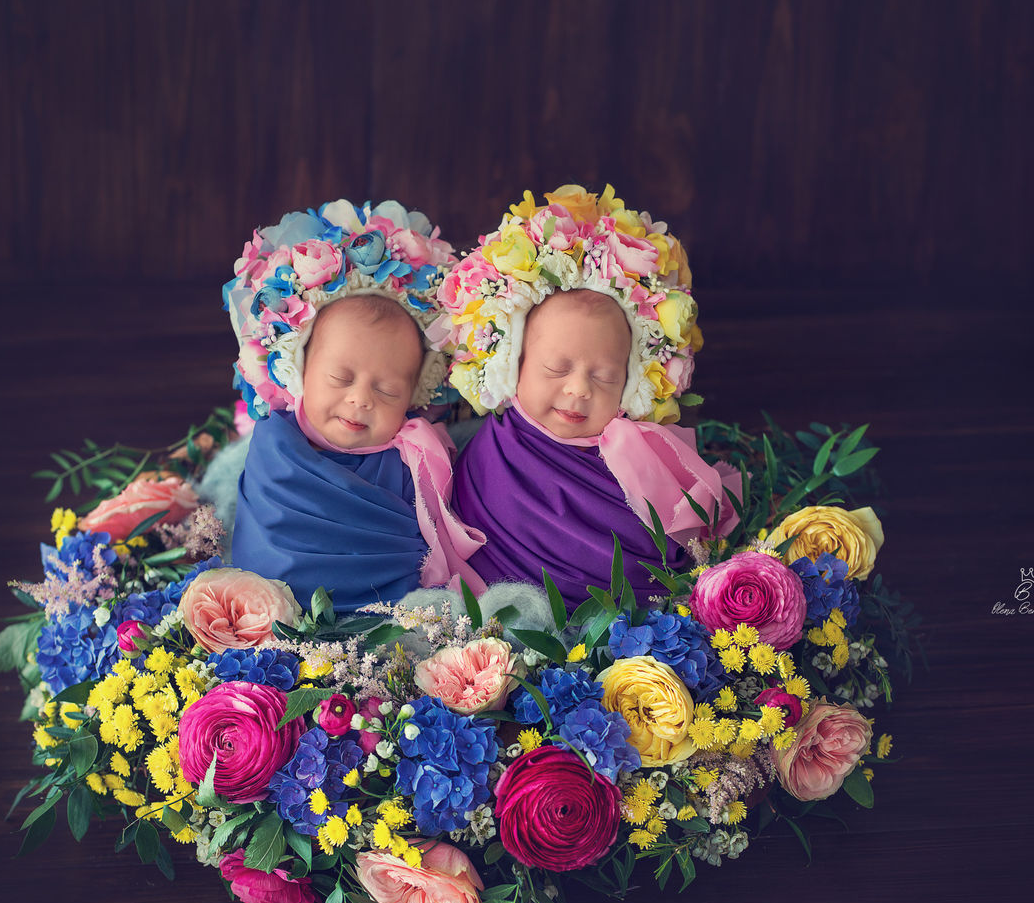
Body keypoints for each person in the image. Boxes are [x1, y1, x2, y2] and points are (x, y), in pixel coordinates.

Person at [432, 184, 741, 608]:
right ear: (513, 363)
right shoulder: (490, 456)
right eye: (556, 369)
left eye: (606, 376)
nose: (578, 389)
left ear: (634, 385)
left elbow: (664, 552)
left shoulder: (641, 462)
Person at [225, 199, 483, 611]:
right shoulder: (276, 448)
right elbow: (263, 542)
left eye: (387, 391)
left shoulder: (418, 463)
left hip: (393, 623)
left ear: (416, 395)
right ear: (299, 370)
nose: (360, 399)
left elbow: (424, 551)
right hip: (285, 619)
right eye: (340, 379)